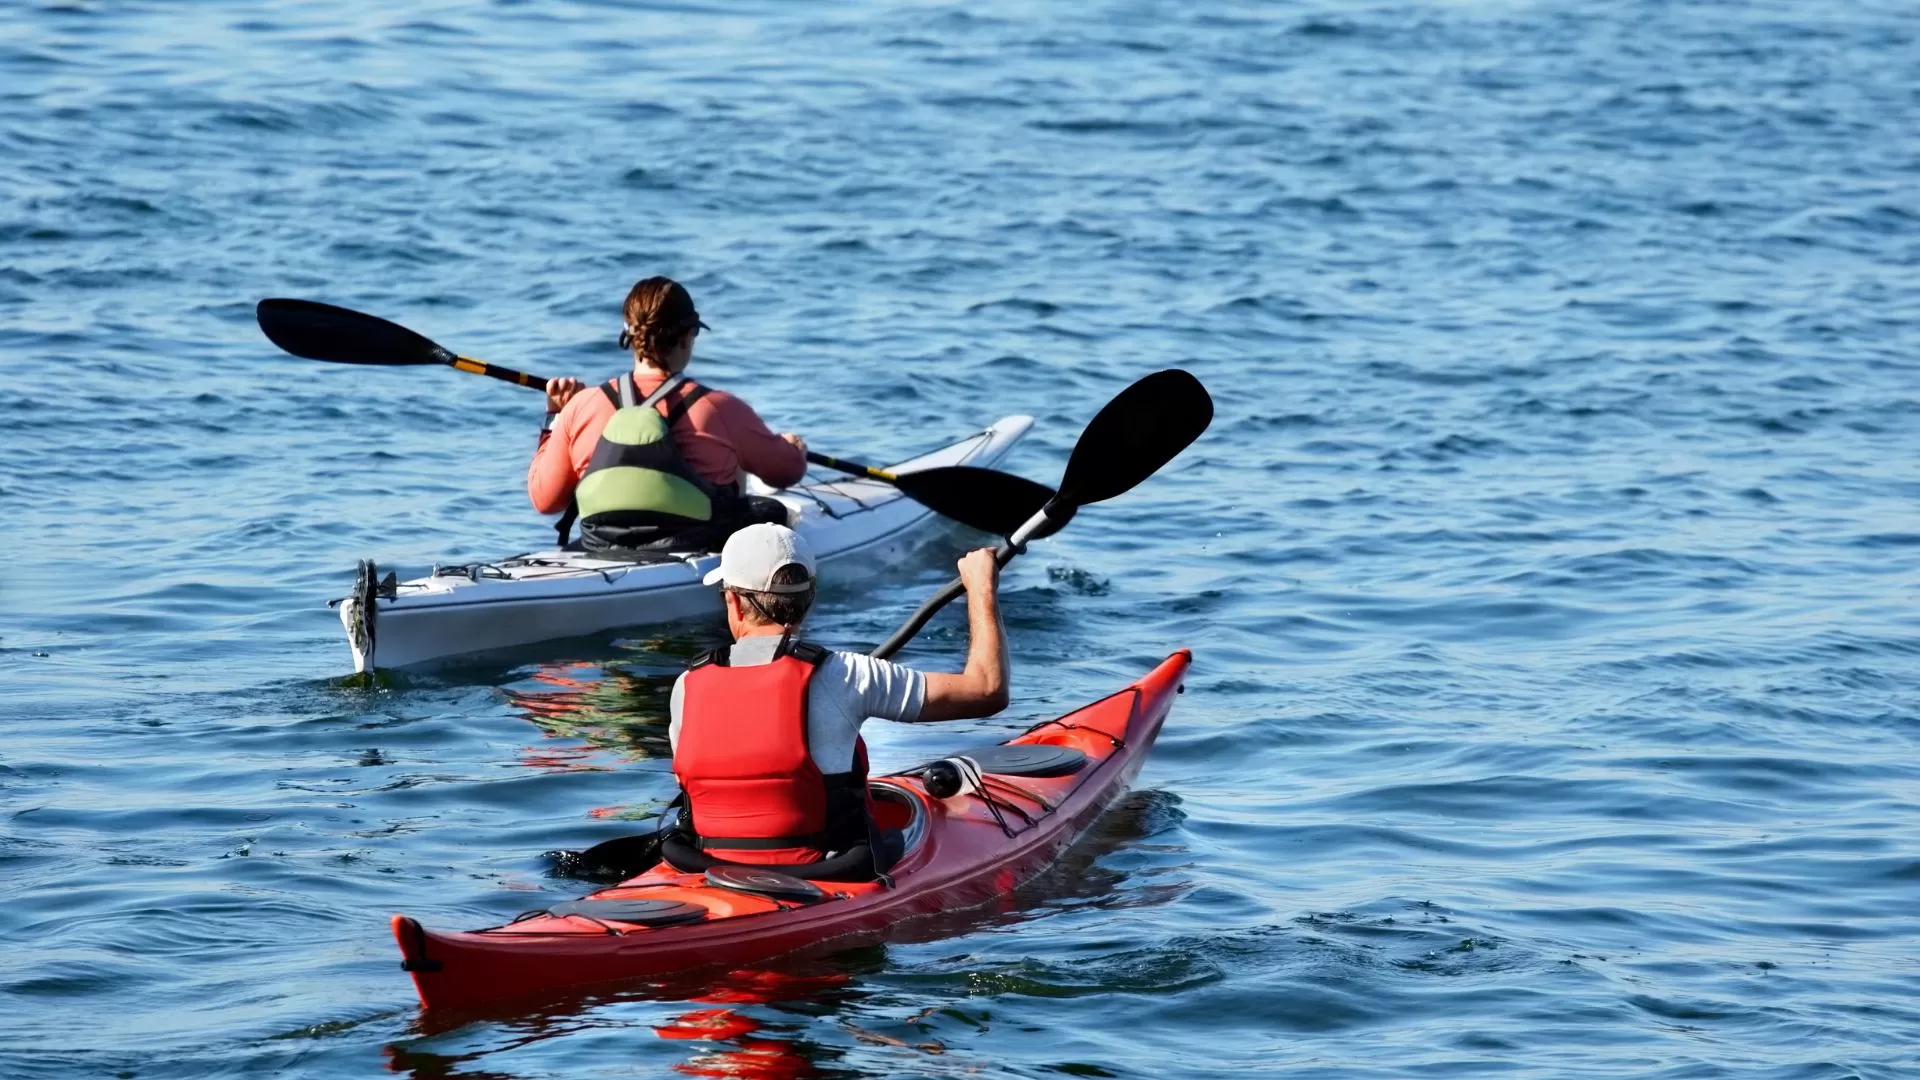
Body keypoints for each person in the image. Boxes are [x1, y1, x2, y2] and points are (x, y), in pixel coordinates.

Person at [665, 524, 1009, 881]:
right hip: (824, 872)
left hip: (706, 870)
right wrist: (982, 589)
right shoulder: (847, 675)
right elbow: (987, 690)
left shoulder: (687, 686)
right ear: (809, 599)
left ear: (733, 602)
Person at [529, 276, 809, 552]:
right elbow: (786, 472)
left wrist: (555, 417)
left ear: (630, 337)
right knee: (770, 509)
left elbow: (546, 501)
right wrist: (794, 448)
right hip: (693, 544)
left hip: (601, 545)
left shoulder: (581, 406)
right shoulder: (718, 408)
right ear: (687, 338)